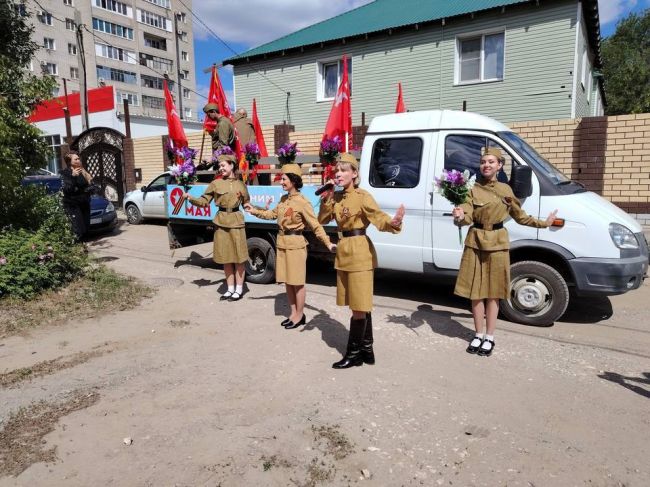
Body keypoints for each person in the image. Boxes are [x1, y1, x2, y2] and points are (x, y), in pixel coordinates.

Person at [452, 148, 559, 357]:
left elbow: (521, 217)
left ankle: (489, 337)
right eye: (483, 162)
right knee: (476, 293)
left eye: (491, 162)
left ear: (499, 166)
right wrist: (458, 217)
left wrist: (544, 223)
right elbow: (466, 216)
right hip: (475, 242)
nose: (486, 165)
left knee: (493, 293)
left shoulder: (506, 190)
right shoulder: (471, 189)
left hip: (498, 243)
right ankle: (477, 334)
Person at [318, 153, 405, 369]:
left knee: (359, 305)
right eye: (336, 171)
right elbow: (322, 220)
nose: (338, 174)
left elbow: (378, 218)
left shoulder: (363, 195)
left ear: (354, 173)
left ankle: (354, 353)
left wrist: (393, 222)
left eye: (343, 170)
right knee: (359, 304)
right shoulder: (335, 197)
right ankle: (367, 350)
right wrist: (327, 199)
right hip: (344, 252)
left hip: (359, 252)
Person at [244, 164, 336, 328]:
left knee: (297, 282)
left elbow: (316, 225)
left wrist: (328, 243)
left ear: (293, 180)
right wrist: (254, 210)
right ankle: (293, 313)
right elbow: (272, 214)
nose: (281, 182)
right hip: (282, 244)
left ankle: (300, 315)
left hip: (296, 245)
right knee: (288, 281)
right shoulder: (284, 200)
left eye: (284, 179)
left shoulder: (302, 202)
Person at [183, 154, 249, 301]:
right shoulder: (216, 183)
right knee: (226, 258)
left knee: (239, 259)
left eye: (223, 165)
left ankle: (239, 289)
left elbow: (247, 203)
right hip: (221, 223)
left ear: (232, 165)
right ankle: (230, 289)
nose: (221, 168)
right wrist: (190, 198)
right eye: (219, 166)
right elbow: (204, 201)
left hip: (237, 222)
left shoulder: (241, 184)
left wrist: (260, 209)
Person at [60, 151, 94, 241]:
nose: (78, 160)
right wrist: (73, 176)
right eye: (76, 159)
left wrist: (91, 188)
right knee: (79, 230)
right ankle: (79, 250)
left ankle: (85, 250)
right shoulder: (65, 173)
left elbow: (87, 186)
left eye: (79, 158)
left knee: (86, 229)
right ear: (69, 162)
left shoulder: (82, 171)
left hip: (84, 203)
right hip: (73, 205)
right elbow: (67, 189)